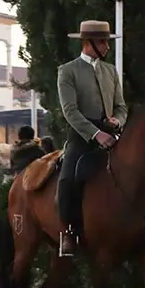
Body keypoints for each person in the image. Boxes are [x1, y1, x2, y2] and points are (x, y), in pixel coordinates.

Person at [55, 20, 128, 257]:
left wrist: (118, 120)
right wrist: (96, 134)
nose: (107, 46)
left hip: (112, 132)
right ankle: (68, 232)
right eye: (102, 42)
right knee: (67, 179)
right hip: (82, 135)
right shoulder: (68, 70)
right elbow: (70, 111)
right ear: (88, 43)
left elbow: (121, 106)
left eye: (107, 41)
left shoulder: (110, 71)